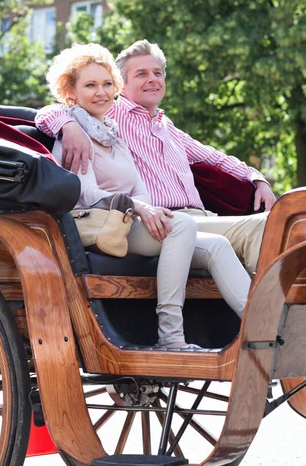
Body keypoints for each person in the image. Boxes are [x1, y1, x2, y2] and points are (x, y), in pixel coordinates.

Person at [39, 43, 252, 351]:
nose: (101, 92)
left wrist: (144, 208)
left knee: (216, 245)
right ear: (71, 92)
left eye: (107, 84)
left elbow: (140, 187)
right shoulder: (73, 136)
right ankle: (171, 336)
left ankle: (266, 329)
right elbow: (86, 193)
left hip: (128, 220)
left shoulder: (111, 132)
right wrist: (141, 208)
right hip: (99, 224)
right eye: (90, 85)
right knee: (180, 225)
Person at [36, 40, 276, 277]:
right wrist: (68, 125)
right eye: (142, 74)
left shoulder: (168, 128)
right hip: (165, 220)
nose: (153, 79)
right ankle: (274, 314)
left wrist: (258, 180)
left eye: (157, 73)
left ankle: (262, 309)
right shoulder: (110, 115)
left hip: (202, 218)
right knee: (265, 226)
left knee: (279, 225)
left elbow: (218, 159)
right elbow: (51, 110)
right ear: (122, 85)